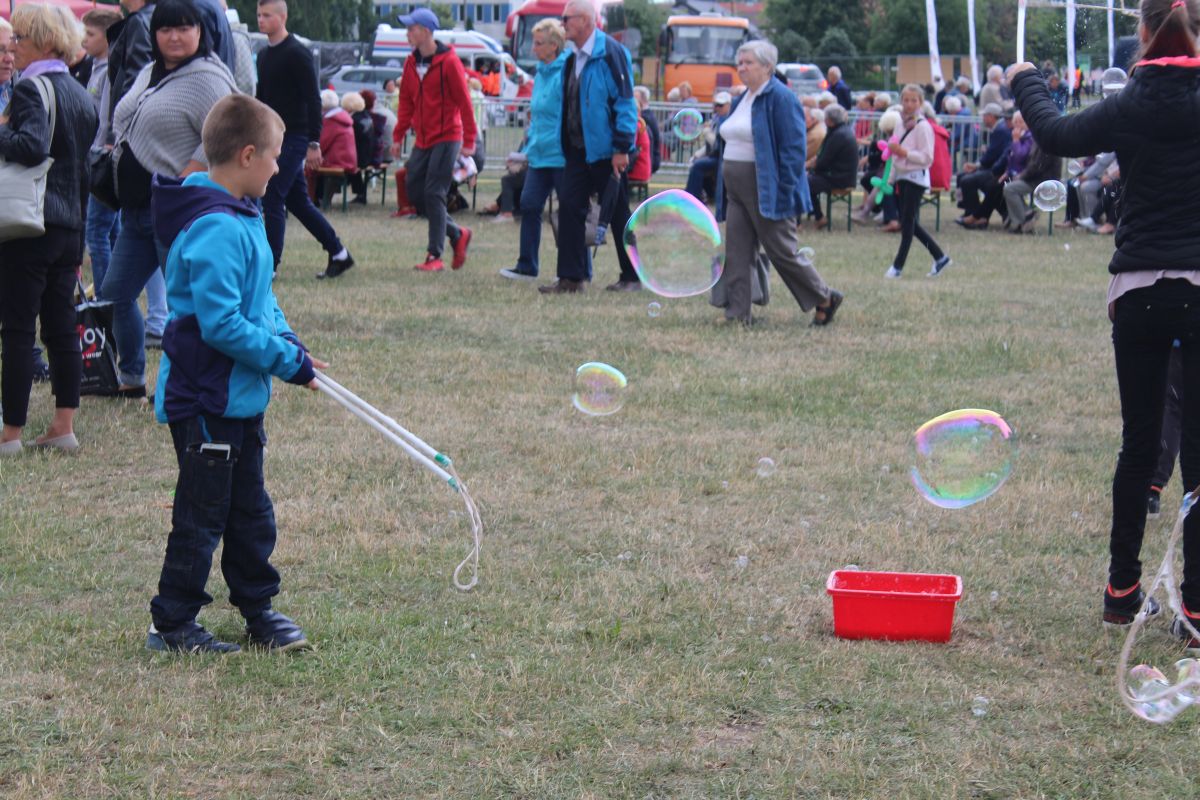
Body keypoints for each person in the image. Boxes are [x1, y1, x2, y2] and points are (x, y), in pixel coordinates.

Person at [1009, 0, 1200, 647]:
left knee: (1138, 443)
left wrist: (1026, 79)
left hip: (1140, 287)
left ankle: (1121, 591)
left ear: (1142, 32)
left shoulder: (1130, 104)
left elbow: (1056, 134)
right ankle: (1196, 609)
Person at [146, 94, 325, 653]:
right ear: (248, 156)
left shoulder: (245, 216)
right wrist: (284, 362)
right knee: (202, 516)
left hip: (240, 399)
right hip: (206, 400)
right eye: (275, 157)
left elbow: (261, 300)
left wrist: (287, 340)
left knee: (250, 509)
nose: (280, 167)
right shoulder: (215, 227)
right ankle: (173, 623)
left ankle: (258, 609)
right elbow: (221, 324)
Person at [103, 0, 237, 399]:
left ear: (200, 32)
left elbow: (226, 132)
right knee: (114, 295)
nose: (174, 37)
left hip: (176, 211)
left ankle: (186, 385)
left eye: (184, 28)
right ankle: (131, 377)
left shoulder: (208, 78)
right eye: (165, 29)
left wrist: (187, 174)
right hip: (137, 211)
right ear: (154, 34)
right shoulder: (151, 71)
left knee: (185, 306)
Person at [0, 3, 98, 455]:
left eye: (19, 38)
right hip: (68, 225)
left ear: (42, 42)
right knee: (61, 328)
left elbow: (31, 145)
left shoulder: (29, 89)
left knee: (19, 329)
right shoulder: (79, 92)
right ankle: (63, 425)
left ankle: (11, 433)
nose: (13, 47)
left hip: (31, 224)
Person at [716, 40, 843, 326]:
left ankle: (825, 297)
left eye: (748, 62)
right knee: (737, 251)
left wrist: (784, 190)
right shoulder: (743, 98)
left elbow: (793, 150)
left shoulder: (781, 97)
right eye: (740, 62)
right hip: (736, 188)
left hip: (766, 187)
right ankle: (737, 314)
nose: (741, 67)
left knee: (781, 251)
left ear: (767, 66)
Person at [539, 0, 639, 294]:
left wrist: (622, 148)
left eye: (566, 18)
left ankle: (632, 276)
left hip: (607, 151)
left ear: (585, 20)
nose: (562, 24)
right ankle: (571, 278)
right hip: (577, 150)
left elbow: (625, 102)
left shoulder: (611, 53)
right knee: (570, 207)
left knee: (618, 212)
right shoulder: (572, 59)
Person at [255, 0, 354, 280]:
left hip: (295, 136)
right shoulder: (263, 55)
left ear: (282, 17)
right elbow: (262, 99)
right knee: (297, 202)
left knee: (272, 194)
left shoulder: (297, 53)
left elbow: (313, 98)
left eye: (267, 15)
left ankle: (270, 266)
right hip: (273, 136)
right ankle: (339, 253)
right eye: (259, 15)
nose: (261, 20)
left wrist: (313, 142)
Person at [389, 7, 477, 273]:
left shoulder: (449, 62)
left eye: (411, 28)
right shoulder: (410, 63)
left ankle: (434, 255)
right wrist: (398, 135)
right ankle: (457, 233)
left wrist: (469, 140)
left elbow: (465, 102)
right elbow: (406, 102)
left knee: (434, 192)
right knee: (414, 191)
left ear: (426, 32)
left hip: (448, 136)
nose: (407, 33)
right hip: (424, 138)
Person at [500, 18, 567, 281]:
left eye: (538, 43)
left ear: (554, 46)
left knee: (570, 213)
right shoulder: (540, 74)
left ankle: (577, 271)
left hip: (562, 156)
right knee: (529, 204)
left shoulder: (566, 73)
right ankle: (527, 266)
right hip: (539, 155)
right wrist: (525, 151)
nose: (533, 48)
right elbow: (537, 118)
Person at [883, 84, 951, 279]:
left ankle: (897, 266)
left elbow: (927, 157)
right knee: (910, 222)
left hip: (916, 178)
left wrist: (904, 153)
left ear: (920, 103)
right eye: (906, 100)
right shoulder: (899, 124)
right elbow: (894, 154)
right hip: (902, 176)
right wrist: (890, 179)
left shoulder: (923, 127)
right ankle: (940, 257)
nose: (909, 104)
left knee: (907, 224)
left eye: (914, 100)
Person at [81, 6, 124, 298]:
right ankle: (115, 292)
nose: (84, 39)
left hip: (103, 157)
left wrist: (106, 148)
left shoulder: (109, 69)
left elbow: (109, 115)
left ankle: (105, 299)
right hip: (95, 154)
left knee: (97, 233)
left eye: (90, 33)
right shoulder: (96, 67)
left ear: (107, 38)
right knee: (112, 231)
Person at [1002, 114, 1062, 233]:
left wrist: (1020, 176)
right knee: (1010, 186)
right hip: (1036, 178)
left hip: (1043, 181)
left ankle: (1021, 221)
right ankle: (1027, 214)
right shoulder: (1040, 140)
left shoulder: (1045, 144)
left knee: (1010, 189)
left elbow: (1036, 167)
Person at [955, 102, 1010, 229]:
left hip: (997, 171)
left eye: (985, 115)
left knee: (966, 180)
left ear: (991, 116)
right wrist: (978, 165)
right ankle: (971, 212)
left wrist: (977, 166)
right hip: (995, 168)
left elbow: (992, 155)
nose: (983, 118)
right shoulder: (999, 129)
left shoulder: (1000, 130)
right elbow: (993, 153)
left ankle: (976, 215)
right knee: (962, 177)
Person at [808, 103, 858, 229]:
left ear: (829, 121)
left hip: (839, 178)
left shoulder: (837, 135)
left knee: (804, 183)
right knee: (808, 181)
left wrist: (812, 167)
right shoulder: (842, 131)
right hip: (842, 175)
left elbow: (823, 162)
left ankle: (818, 217)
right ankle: (817, 215)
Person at [684, 90, 730, 203]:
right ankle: (702, 195)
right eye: (716, 105)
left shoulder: (727, 121)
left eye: (721, 105)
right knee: (696, 162)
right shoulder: (716, 119)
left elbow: (718, 145)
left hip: (722, 158)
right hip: (714, 156)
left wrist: (707, 132)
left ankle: (692, 197)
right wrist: (698, 154)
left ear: (729, 105)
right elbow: (710, 146)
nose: (717, 108)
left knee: (698, 165)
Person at [633, 85, 661, 175]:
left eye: (634, 97)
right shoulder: (648, 115)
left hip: (648, 161)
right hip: (649, 160)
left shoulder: (644, 118)